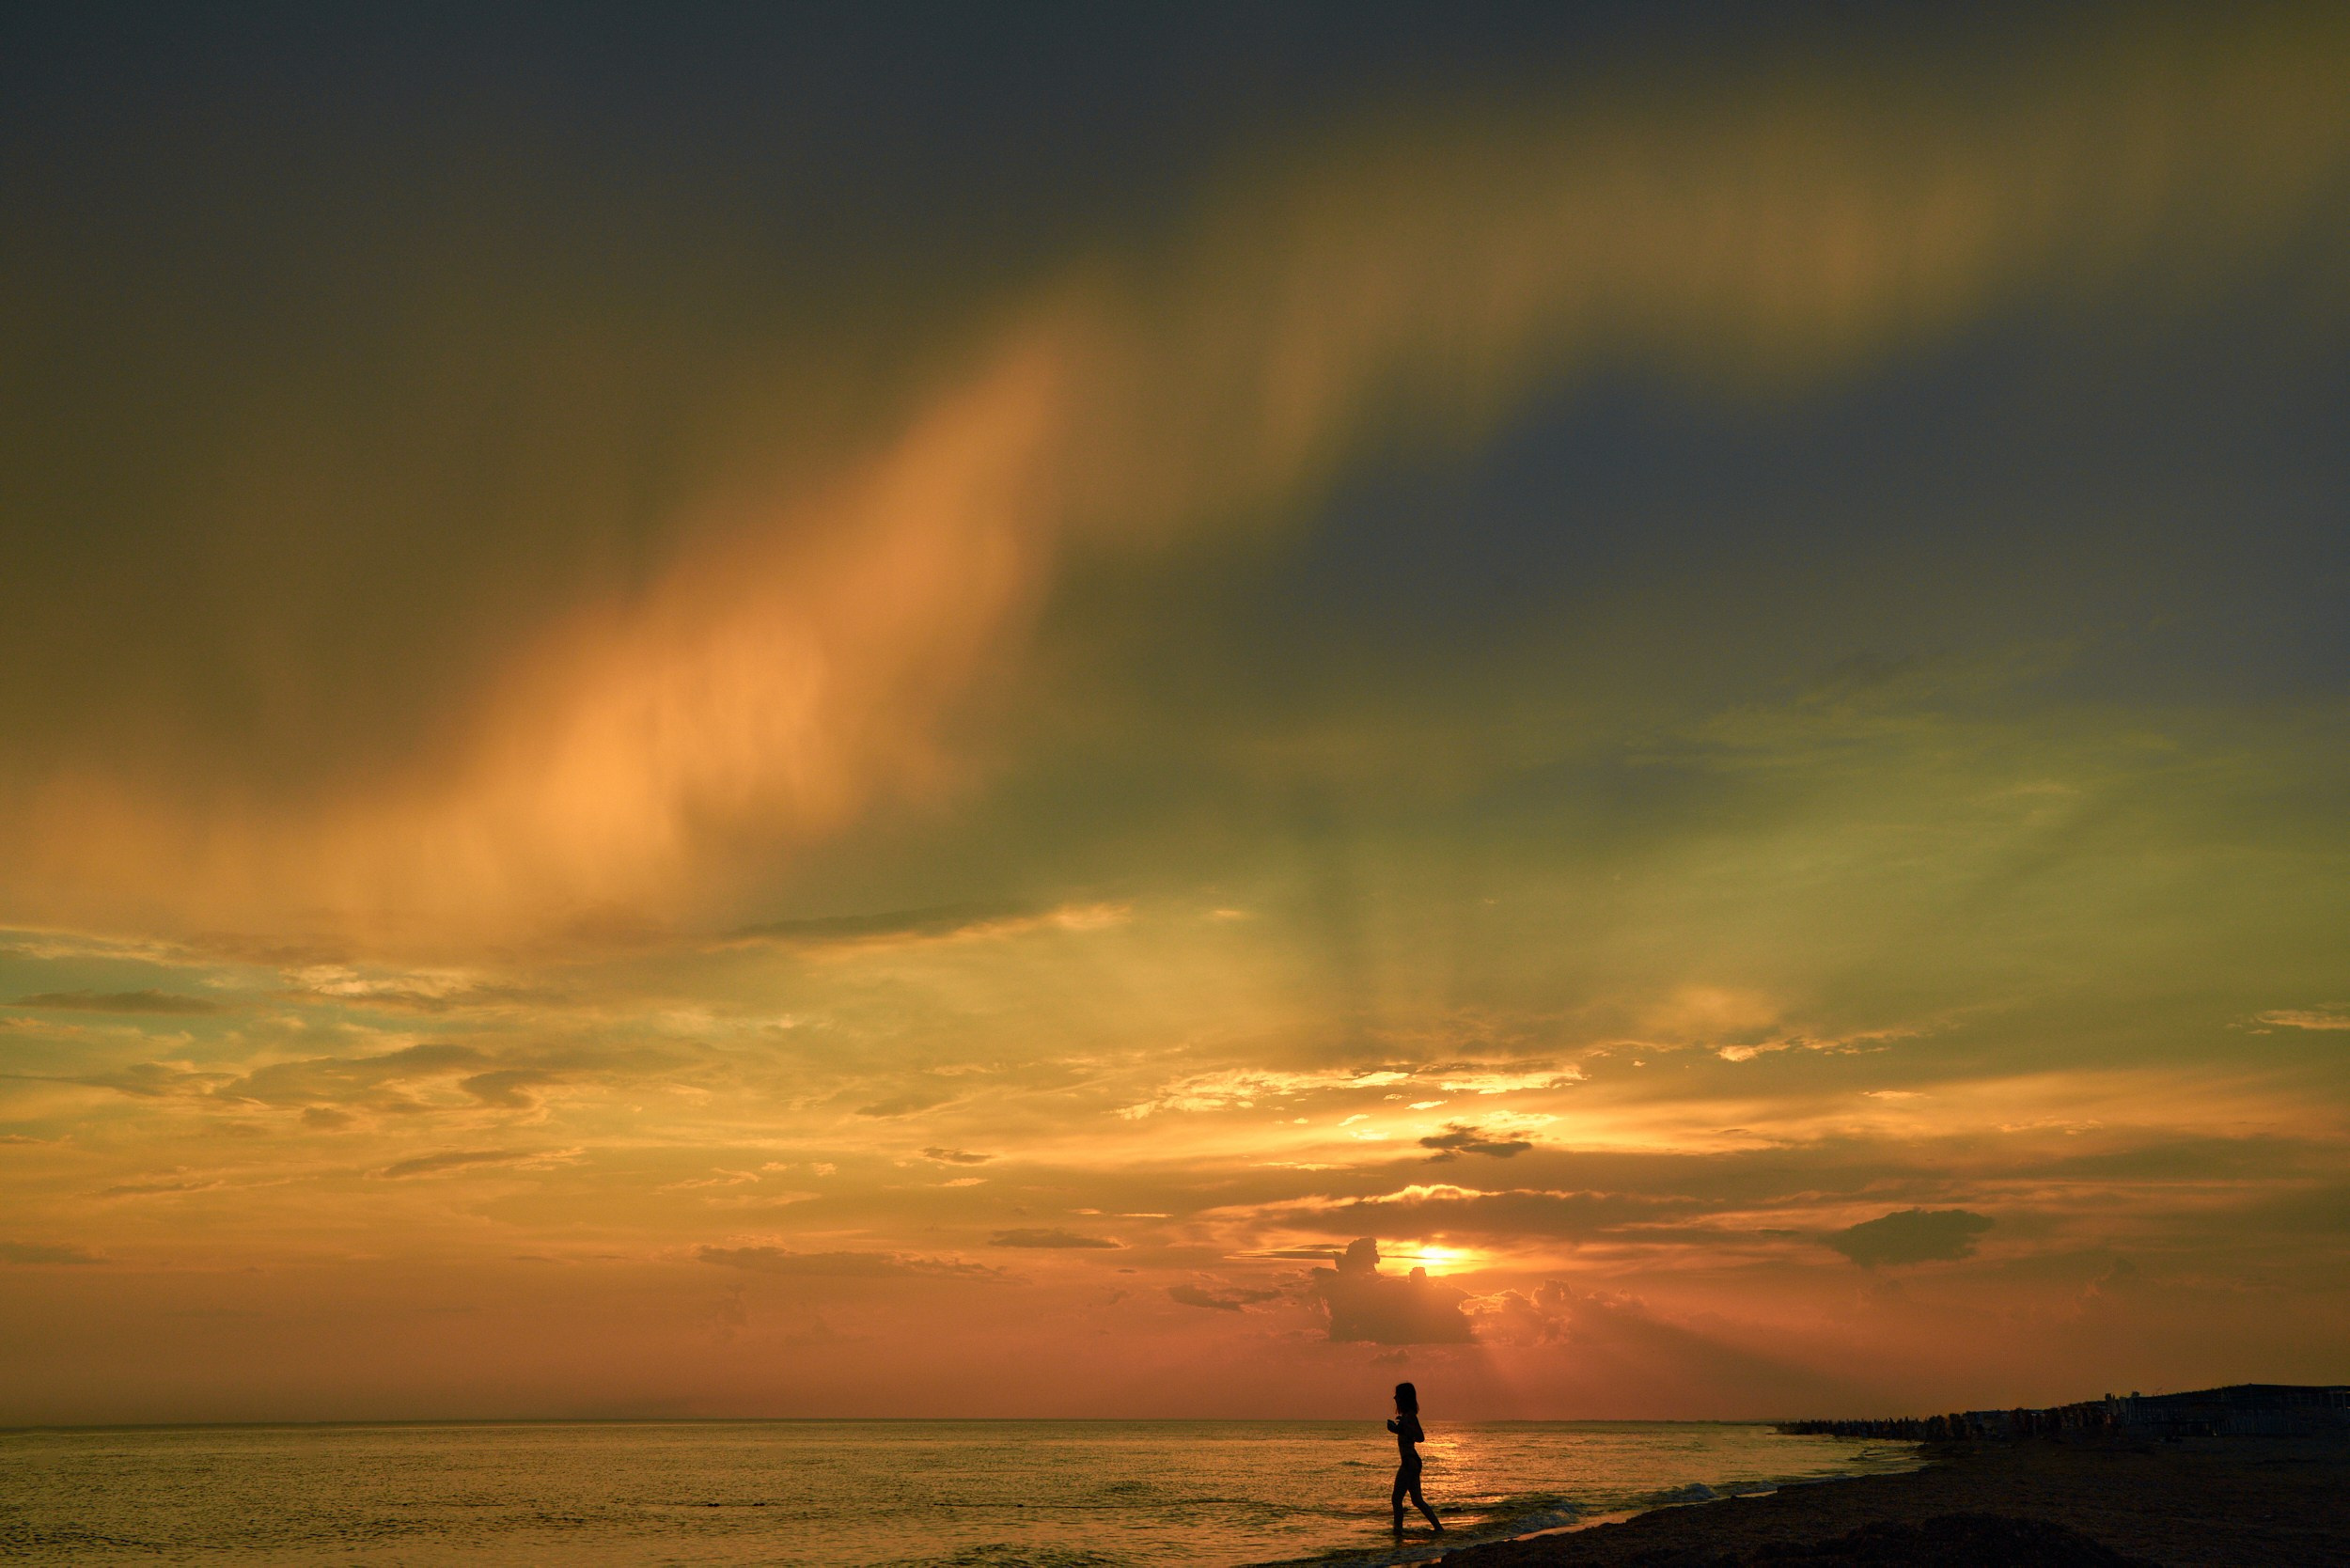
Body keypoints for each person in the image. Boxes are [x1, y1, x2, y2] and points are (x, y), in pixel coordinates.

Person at [1386, 1381, 1442, 1534]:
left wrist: (1405, 1424)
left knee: (1396, 1499)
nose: (1395, 1398)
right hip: (1411, 1461)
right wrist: (1397, 1429)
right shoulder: (1406, 1416)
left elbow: (1420, 1437)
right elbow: (1407, 1435)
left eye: (1397, 1395)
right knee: (1417, 1500)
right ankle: (1438, 1528)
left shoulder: (1410, 1416)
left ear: (1403, 1398)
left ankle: (1398, 1531)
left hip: (1409, 1462)